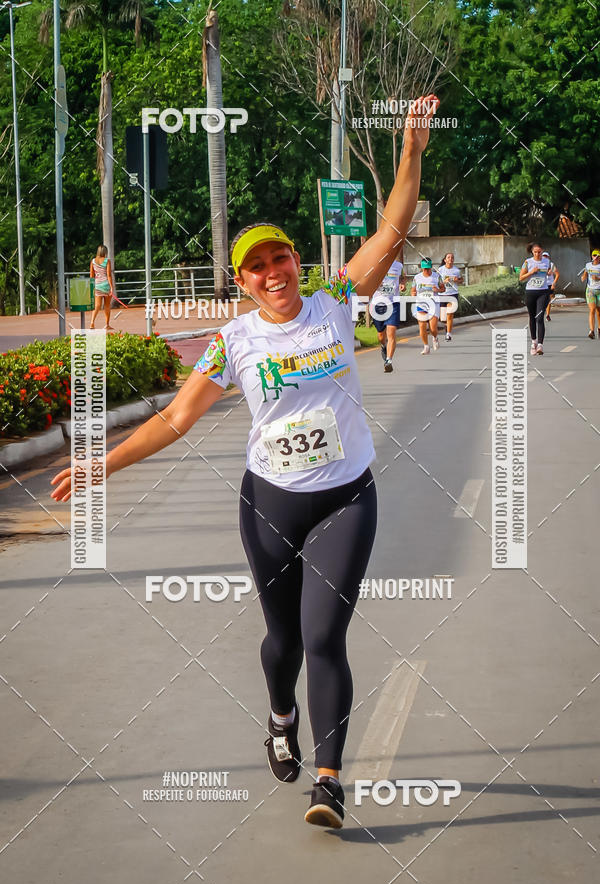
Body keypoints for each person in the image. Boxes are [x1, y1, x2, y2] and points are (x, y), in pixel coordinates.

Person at [51, 95, 441, 829]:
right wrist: (106, 463)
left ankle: (328, 784)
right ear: (242, 281)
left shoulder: (332, 302)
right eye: (256, 267)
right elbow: (175, 416)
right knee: (282, 640)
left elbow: (390, 235)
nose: (273, 273)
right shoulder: (233, 342)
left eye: (281, 257)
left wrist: (411, 153)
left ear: (300, 260)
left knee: (325, 636)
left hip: (346, 498)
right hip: (269, 503)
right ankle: (279, 712)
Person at [371, 257, 406, 372]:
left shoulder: (399, 266)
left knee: (391, 332)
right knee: (381, 335)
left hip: (393, 303)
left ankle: (389, 360)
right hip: (378, 303)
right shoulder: (376, 263)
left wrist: (402, 284)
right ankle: (383, 346)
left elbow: (403, 277)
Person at [519, 241, 550, 355]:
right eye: (535, 252)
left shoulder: (547, 262)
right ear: (532, 252)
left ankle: (540, 345)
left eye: (539, 252)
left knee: (540, 317)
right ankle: (534, 342)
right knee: (532, 317)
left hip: (543, 292)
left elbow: (551, 272)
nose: (537, 254)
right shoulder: (528, 262)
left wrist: (550, 273)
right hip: (531, 292)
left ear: (542, 251)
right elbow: (521, 278)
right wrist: (531, 272)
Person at [411, 258, 445, 355]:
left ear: (431, 267)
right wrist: (413, 294)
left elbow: (443, 289)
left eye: (428, 268)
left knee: (433, 328)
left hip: (434, 304)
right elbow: (413, 290)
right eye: (424, 268)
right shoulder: (416, 277)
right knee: (422, 326)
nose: (426, 270)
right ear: (421, 268)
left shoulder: (437, 277)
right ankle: (426, 346)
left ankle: (435, 338)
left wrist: (437, 290)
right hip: (421, 304)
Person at [89, 245, 116, 329]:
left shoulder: (93, 261)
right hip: (105, 285)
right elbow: (108, 275)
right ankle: (107, 324)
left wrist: (92, 286)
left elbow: (91, 275)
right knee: (107, 305)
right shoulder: (107, 261)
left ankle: (92, 322)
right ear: (105, 252)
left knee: (97, 305)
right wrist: (111, 287)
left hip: (97, 285)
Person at [437, 252, 462, 341]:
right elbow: (437, 283)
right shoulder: (440, 270)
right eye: (448, 257)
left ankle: (448, 334)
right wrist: (444, 281)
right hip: (442, 294)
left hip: (453, 294)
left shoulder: (456, 270)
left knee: (450, 314)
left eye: (452, 257)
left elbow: (461, 280)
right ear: (445, 260)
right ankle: (446, 325)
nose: (450, 259)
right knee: (443, 318)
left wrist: (457, 280)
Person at [581, 249, 600, 338]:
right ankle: (591, 331)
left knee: (599, 311)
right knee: (592, 309)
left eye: (598, 256)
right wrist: (583, 277)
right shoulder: (588, 265)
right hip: (590, 290)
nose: (596, 257)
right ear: (591, 256)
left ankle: (599, 328)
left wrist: (598, 278)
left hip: (599, 290)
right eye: (594, 255)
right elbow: (585, 274)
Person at [543, 251, 559, 321]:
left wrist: (554, 283)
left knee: (548, 300)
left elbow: (557, 274)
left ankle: (547, 315)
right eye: (543, 256)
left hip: (549, 284)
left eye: (546, 256)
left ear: (548, 257)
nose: (545, 257)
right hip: (541, 284)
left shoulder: (551, 265)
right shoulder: (539, 264)